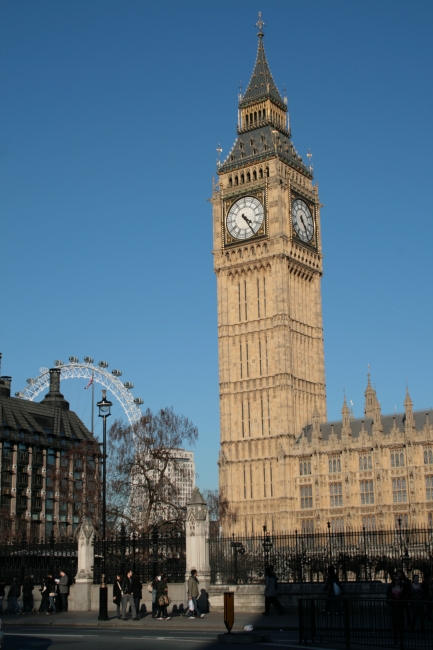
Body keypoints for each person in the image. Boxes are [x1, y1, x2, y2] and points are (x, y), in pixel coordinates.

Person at [387, 575, 405, 644]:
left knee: (400, 622)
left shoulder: (402, 587)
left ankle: (400, 638)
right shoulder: (391, 587)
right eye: (396, 580)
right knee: (394, 622)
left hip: (400, 607)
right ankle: (395, 638)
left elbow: (405, 595)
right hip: (394, 606)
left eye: (398, 580)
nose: (397, 581)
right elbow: (388, 594)